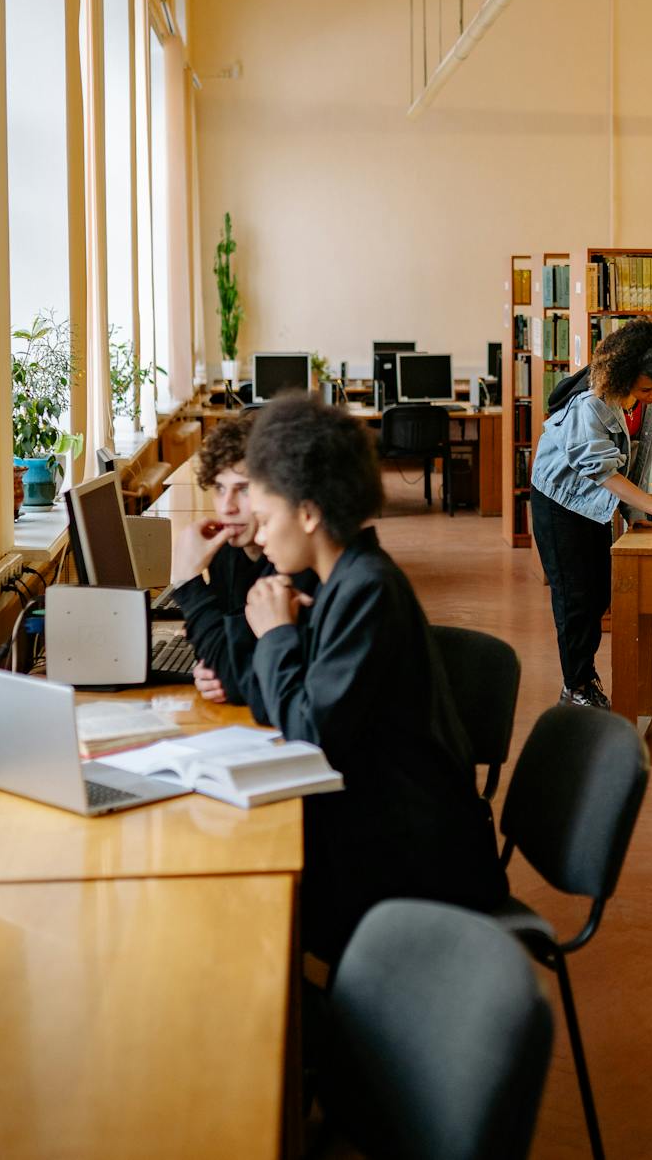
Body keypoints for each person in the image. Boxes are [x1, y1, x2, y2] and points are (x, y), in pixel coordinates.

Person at [241, 394, 507, 961]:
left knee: (247, 913)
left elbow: (310, 738)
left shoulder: (368, 590)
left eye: (264, 520)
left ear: (308, 513)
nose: (258, 537)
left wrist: (277, 638)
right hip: (382, 821)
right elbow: (278, 710)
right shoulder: (339, 582)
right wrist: (285, 634)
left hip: (414, 856)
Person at [530, 320, 652, 709]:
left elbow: (633, 464)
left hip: (598, 504)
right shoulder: (589, 404)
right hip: (560, 502)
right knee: (575, 598)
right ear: (621, 376)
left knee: (600, 591)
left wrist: (633, 511)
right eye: (645, 388)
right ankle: (575, 686)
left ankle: (583, 675)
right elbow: (601, 469)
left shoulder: (639, 401)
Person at [165, 413, 317, 721]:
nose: (226, 507)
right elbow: (229, 654)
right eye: (220, 488)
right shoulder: (225, 553)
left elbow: (245, 677)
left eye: (243, 489)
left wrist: (187, 582)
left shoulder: (295, 565)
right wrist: (209, 667)